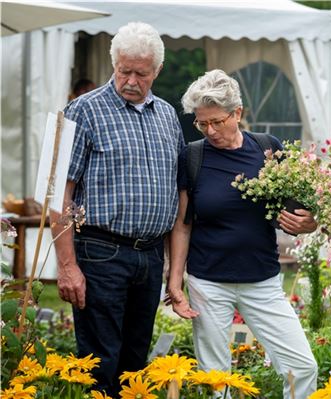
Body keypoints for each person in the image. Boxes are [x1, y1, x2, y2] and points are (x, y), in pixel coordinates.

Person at [167, 69, 318, 399]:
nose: (210, 130)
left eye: (217, 121)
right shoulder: (193, 156)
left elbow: (299, 209)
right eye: (201, 123)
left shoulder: (268, 149)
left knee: (302, 366)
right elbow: (183, 224)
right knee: (217, 380)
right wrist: (175, 281)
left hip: (262, 280)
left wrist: (310, 222)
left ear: (238, 113)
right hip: (208, 282)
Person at [51, 22, 184, 396]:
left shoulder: (168, 116)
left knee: (134, 364)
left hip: (149, 255)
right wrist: (67, 266)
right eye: (123, 70)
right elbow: (59, 194)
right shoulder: (84, 111)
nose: (130, 80)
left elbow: (176, 193)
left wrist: (174, 266)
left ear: (157, 71)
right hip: (100, 252)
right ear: (114, 64)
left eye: (141, 73)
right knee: (101, 362)